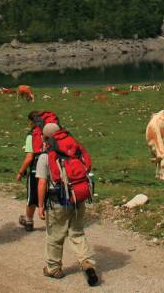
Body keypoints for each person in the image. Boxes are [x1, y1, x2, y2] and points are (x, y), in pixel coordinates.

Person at [36, 122, 99, 286]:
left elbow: (42, 183)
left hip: (58, 201)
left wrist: (41, 205)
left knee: (55, 236)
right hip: (78, 197)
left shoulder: (45, 156)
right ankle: (87, 264)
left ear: (45, 138)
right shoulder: (75, 151)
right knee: (77, 233)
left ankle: (53, 268)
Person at [16, 111, 56, 232]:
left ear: (31, 122)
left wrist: (20, 172)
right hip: (52, 168)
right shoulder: (52, 132)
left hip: (35, 169)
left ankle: (28, 221)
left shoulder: (31, 135)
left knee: (32, 196)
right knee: (50, 194)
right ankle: (53, 222)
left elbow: (29, 157)